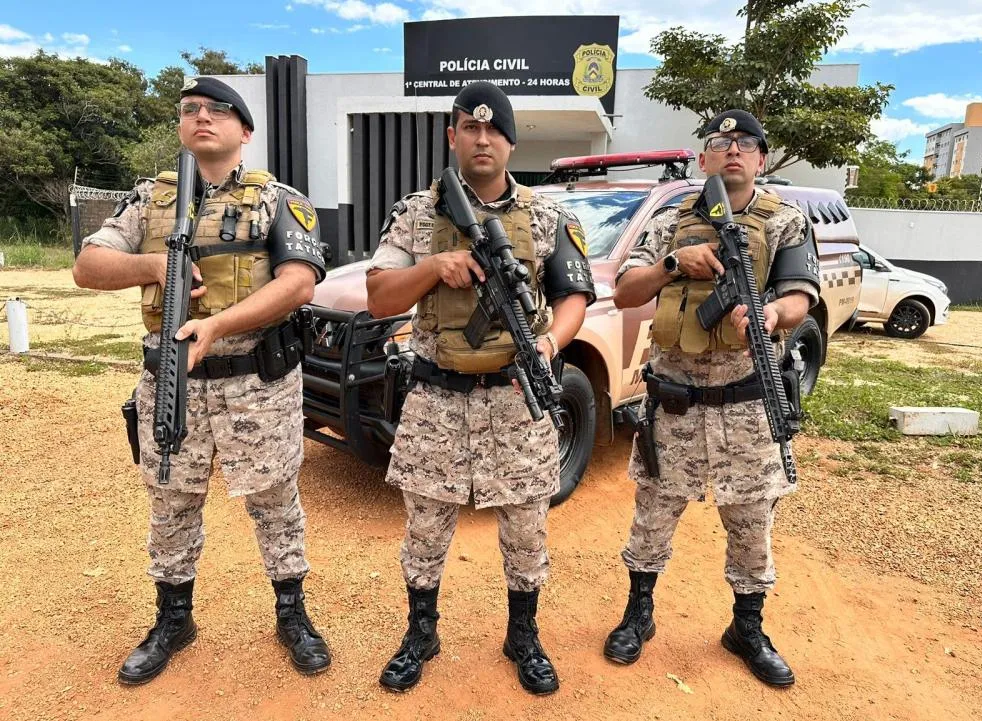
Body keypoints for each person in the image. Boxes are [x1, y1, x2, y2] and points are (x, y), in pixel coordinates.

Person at [72, 77, 331, 684]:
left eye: (219, 110)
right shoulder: (149, 202)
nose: (202, 117)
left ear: (244, 130)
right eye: (190, 110)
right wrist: (155, 263)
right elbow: (88, 265)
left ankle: (292, 614)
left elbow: (298, 282)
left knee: (275, 501)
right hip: (171, 380)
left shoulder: (278, 200)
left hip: (255, 384)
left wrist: (217, 328)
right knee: (171, 500)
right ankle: (174, 618)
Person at [366, 81, 595, 695]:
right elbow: (378, 295)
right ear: (453, 137)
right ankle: (421, 633)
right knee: (425, 523)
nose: (484, 138)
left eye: (495, 130)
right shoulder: (416, 212)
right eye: (471, 127)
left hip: (517, 396)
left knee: (526, 524)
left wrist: (549, 343)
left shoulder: (549, 217)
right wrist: (432, 267)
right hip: (437, 396)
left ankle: (523, 635)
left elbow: (574, 297)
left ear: (512, 141)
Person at [605, 109, 821, 687]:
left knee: (751, 521)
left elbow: (802, 293)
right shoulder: (671, 220)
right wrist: (675, 265)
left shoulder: (785, 223)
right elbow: (625, 292)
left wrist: (774, 312)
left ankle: (746, 628)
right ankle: (638, 614)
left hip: (747, 403)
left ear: (760, 158)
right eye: (719, 143)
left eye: (745, 143)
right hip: (674, 401)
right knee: (653, 514)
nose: (732, 150)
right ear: (702, 159)